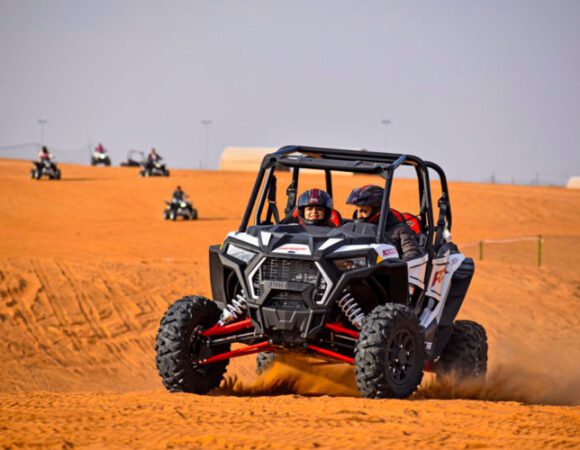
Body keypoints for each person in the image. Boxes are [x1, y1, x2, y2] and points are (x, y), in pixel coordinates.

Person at [346, 185, 423, 260]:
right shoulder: (354, 228)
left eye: (364, 211)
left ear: (377, 210)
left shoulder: (401, 230)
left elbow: (413, 256)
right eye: (357, 210)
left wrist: (391, 263)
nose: (359, 216)